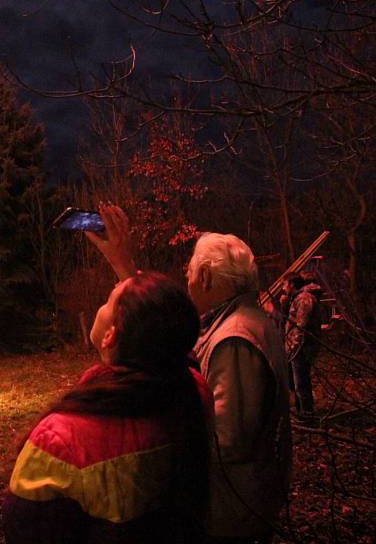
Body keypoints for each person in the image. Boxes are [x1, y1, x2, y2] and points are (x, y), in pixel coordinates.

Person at [87, 203, 291, 544]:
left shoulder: (235, 339)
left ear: (206, 276)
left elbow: (227, 441)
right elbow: (163, 329)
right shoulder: (239, 321)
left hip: (229, 516)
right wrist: (124, 267)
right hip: (237, 507)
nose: (188, 281)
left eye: (190, 273)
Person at [3, 272, 213, 544]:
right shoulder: (193, 393)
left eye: (108, 301)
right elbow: (163, 328)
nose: (103, 303)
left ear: (110, 335)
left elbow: (22, 530)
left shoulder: (60, 438)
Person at [282, 272, 324, 425]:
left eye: (284, 284)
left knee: (301, 381)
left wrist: (295, 346)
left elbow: (301, 325)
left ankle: (307, 414)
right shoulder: (297, 299)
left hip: (302, 347)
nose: (283, 288)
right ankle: (301, 410)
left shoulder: (305, 299)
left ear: (292, 284)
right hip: (296, 346)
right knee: (295, 380)